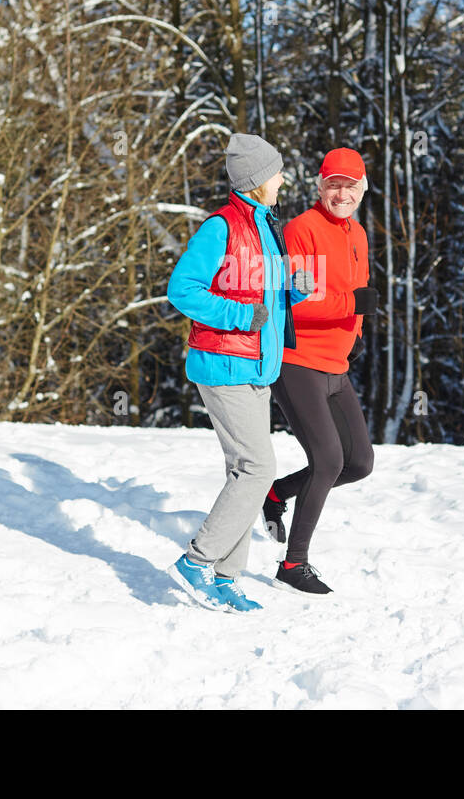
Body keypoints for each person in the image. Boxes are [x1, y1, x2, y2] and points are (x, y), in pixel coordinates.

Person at [165, 133, 313, 612]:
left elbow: (264, 295)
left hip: (256, 366)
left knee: (241, 469)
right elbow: (182, 288)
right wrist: (237, 315)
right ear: (255, 181)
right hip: (224, 364)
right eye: (276, 172)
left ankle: (225, 578)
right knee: (259, 469)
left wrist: (293, 288)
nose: (283, 179)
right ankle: (197, 561)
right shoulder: (221, 226)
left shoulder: (266, 227)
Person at [263, 147, 377, 594]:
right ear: (319, 185)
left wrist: (358, 333)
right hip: (299, 363)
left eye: (350, 186)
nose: (342, 193)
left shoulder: (358, 234)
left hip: (337, 364)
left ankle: (277, 494)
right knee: (328, 460)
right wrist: (352, 307)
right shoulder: (301, 230)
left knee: (359, 463)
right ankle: (293, 566)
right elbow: (297, 302)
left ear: (362, 190)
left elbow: (360, 289)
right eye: (333, 184)